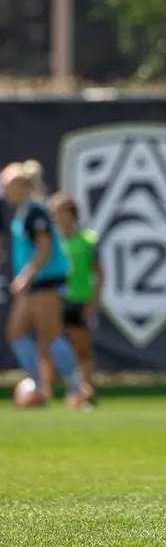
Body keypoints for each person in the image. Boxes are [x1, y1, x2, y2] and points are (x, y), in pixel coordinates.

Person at [1, 160, 91, 408]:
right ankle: (38, 384)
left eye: (8, 185)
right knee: (16, 332)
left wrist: (25, 277)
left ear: (22, 185)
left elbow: (45, 249)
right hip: (34, 284)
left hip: (46, 283)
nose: (4, 191)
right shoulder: (22, 213)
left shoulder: (36, 211)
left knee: (51, 336)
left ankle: (78, 389)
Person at [49, 192, 102, 399]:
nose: (54, 217)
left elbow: (99, 272)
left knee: (82, 350)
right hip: (54, 300)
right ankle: (51, 390)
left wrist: (94, 301)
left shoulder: (87, 239)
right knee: (52, 347)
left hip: (79, 300)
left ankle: (87, 392)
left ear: (71, 214)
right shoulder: (49, 241)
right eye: (52, 212)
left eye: (58, 212)